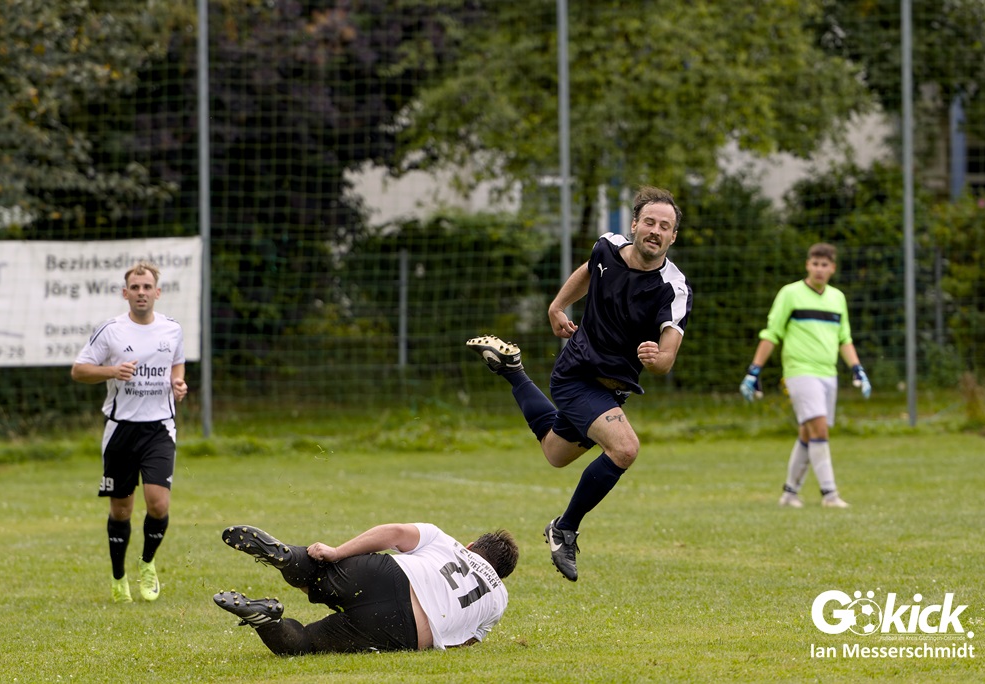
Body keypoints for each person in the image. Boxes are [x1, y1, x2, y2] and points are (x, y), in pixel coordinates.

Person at [467, 185, 692, 582]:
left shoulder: (673, 288)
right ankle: (565, 528)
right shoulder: (607, 247)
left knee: (555, 453)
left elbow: (668, 355)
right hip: (576, 375)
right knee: (625, 448)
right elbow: (589, 270)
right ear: (635, 224)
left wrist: (657, 359)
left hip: (613, 390)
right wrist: (557, 306)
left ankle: (513, 370)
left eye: (665, 227)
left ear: (673, 237)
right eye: (650, 222)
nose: (656, 231)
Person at [214, 522, 518, 654]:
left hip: (390, 575)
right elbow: (466, 642)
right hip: (403, 629)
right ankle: (267, 619)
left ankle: (288, 557)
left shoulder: (446, 541)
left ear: (470, 546)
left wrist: (337, 551)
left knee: (318, 572)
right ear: (499, 576)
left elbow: (394, 533)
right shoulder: (499, 600)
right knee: (304, 644)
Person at [71, 261, 187, 603]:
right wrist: (111, 371)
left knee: (158, 504)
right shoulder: (111, 330)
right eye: (135, 287)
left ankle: (147, 563)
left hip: (159, 428)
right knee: (121, 510)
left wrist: (178, 383)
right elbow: (79, 370)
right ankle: (118, 575)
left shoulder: (172, 329)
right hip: (121, 430)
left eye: (147, 287)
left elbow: (177, 363)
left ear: (157, 292)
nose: (141, 292)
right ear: (126, 293)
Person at [739, 242, 871, 509]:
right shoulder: (790, 294)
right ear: (807, 265)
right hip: (799, 371)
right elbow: (771, 333)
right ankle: (830, 495)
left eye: (825, 265)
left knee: (809, 433)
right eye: (815, 264)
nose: (819, 269)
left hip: (828, 373)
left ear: (833, 268)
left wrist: (858, 368)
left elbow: (844, 338)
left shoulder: (837, 298)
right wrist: (754, 370)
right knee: (820, 429)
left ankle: (789, 494)